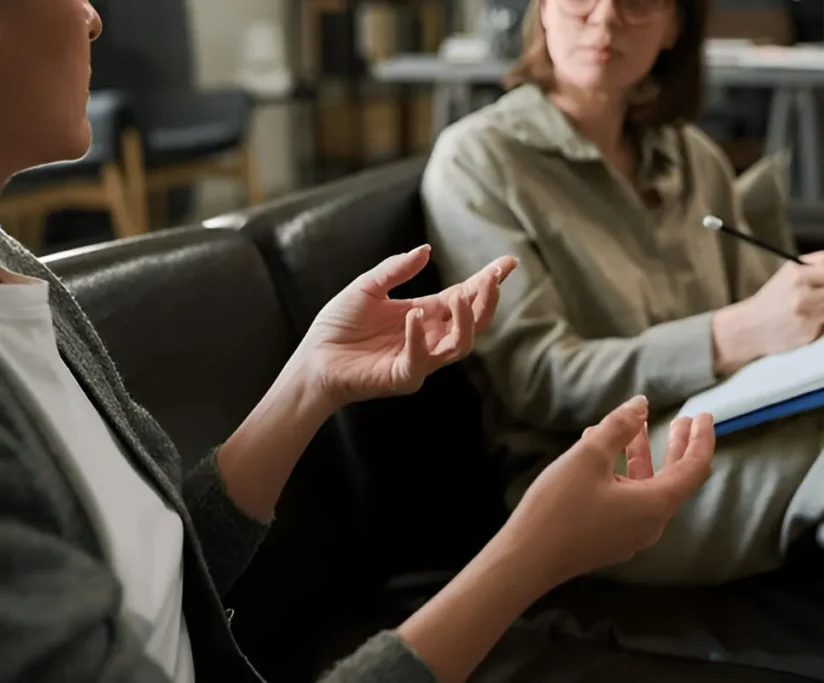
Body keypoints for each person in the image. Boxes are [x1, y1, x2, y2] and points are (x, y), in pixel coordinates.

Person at [0, 2, 718, 682]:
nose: (93, 17)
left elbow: (163, 573)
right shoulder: (483, 155)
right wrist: (529, 556)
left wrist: (312, 377)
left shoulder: (22, 275)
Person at [420, 0, 824, 680]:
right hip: (594, 484)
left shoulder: (693, 157)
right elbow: (538, 378)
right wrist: (734, 332)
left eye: (638, 2)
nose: (605, 19)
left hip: (731, 432)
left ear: (677, 23)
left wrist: (817, 309)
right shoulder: (477, 160)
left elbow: (778, 334)